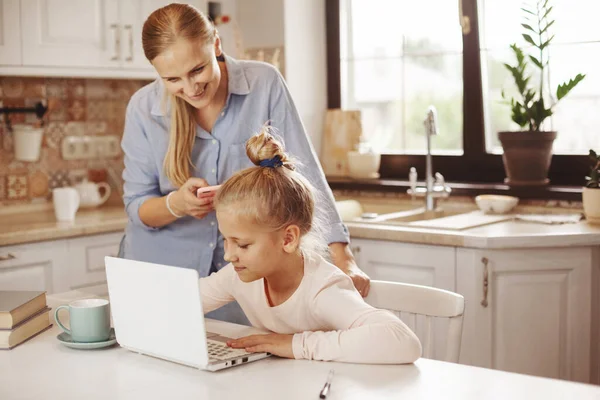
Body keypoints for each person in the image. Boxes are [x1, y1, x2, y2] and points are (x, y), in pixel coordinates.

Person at [120, 3, 370, 324]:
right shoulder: (143, 108)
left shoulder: (263, 84)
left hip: (241, 280)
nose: (190, 87)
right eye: (173, 79)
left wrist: (343, 257)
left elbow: (304, 176)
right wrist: (177, 204)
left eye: (197, 69)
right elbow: (137, 208)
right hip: (160, 273)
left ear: (217, 45)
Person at [199, 129, 421, 363]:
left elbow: (402, 341)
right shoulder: (240, 274)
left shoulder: (321, 288)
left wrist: (296, 344)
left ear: (288, 239)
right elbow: (181, 301)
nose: (229, 254)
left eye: (242, 244)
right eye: (226, 239)